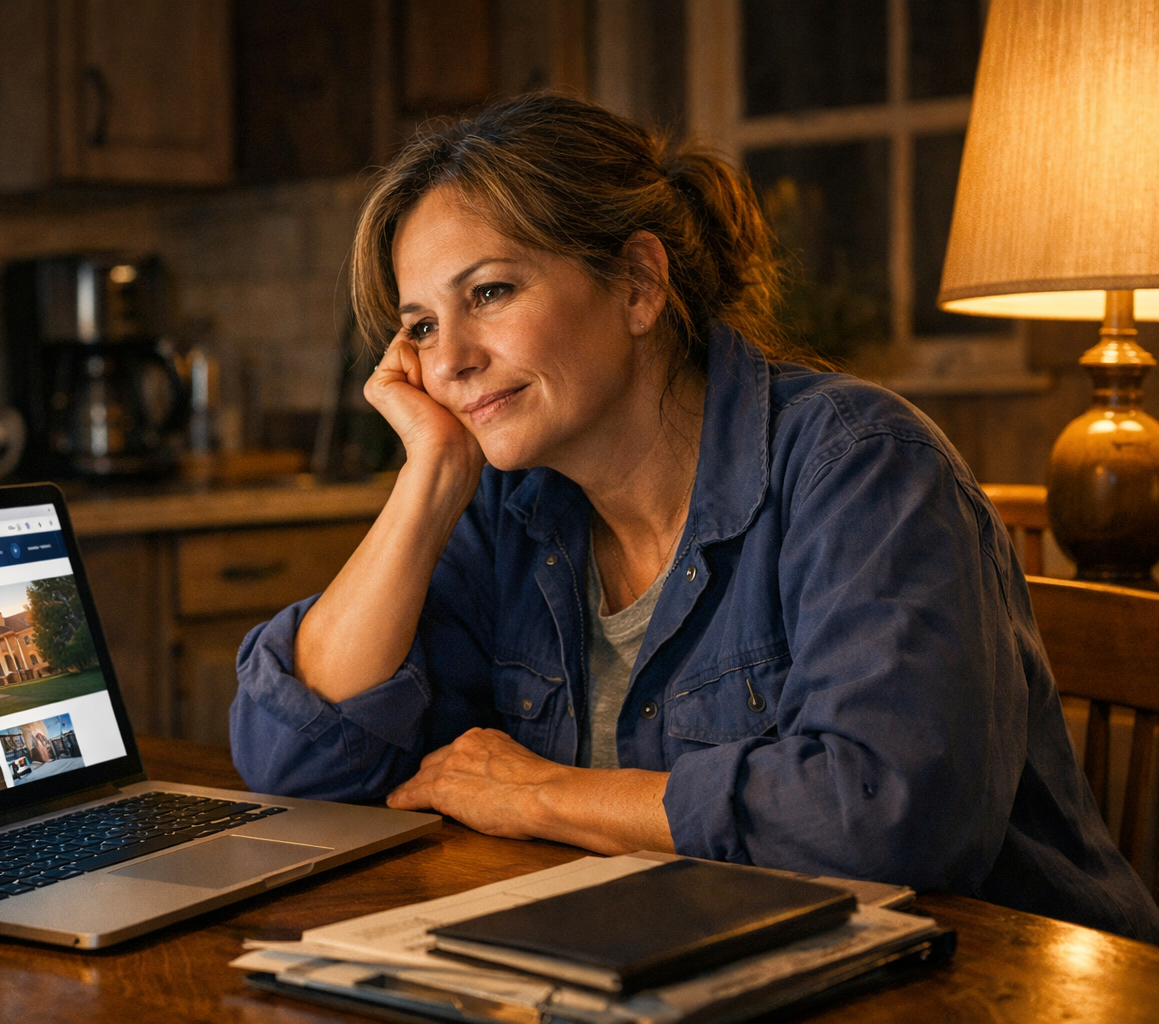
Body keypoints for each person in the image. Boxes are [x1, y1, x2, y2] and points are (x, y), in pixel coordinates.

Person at [228, 93, 1159, 942]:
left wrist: (547, 795)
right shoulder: (511, 504)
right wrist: (429, 479)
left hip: (992, 983)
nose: (449, 361)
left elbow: (888, 821)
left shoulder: (862, 464)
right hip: (677, 961)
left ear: (639, 284)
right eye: (423, 325)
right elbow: (294, 761)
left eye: (491, 292)